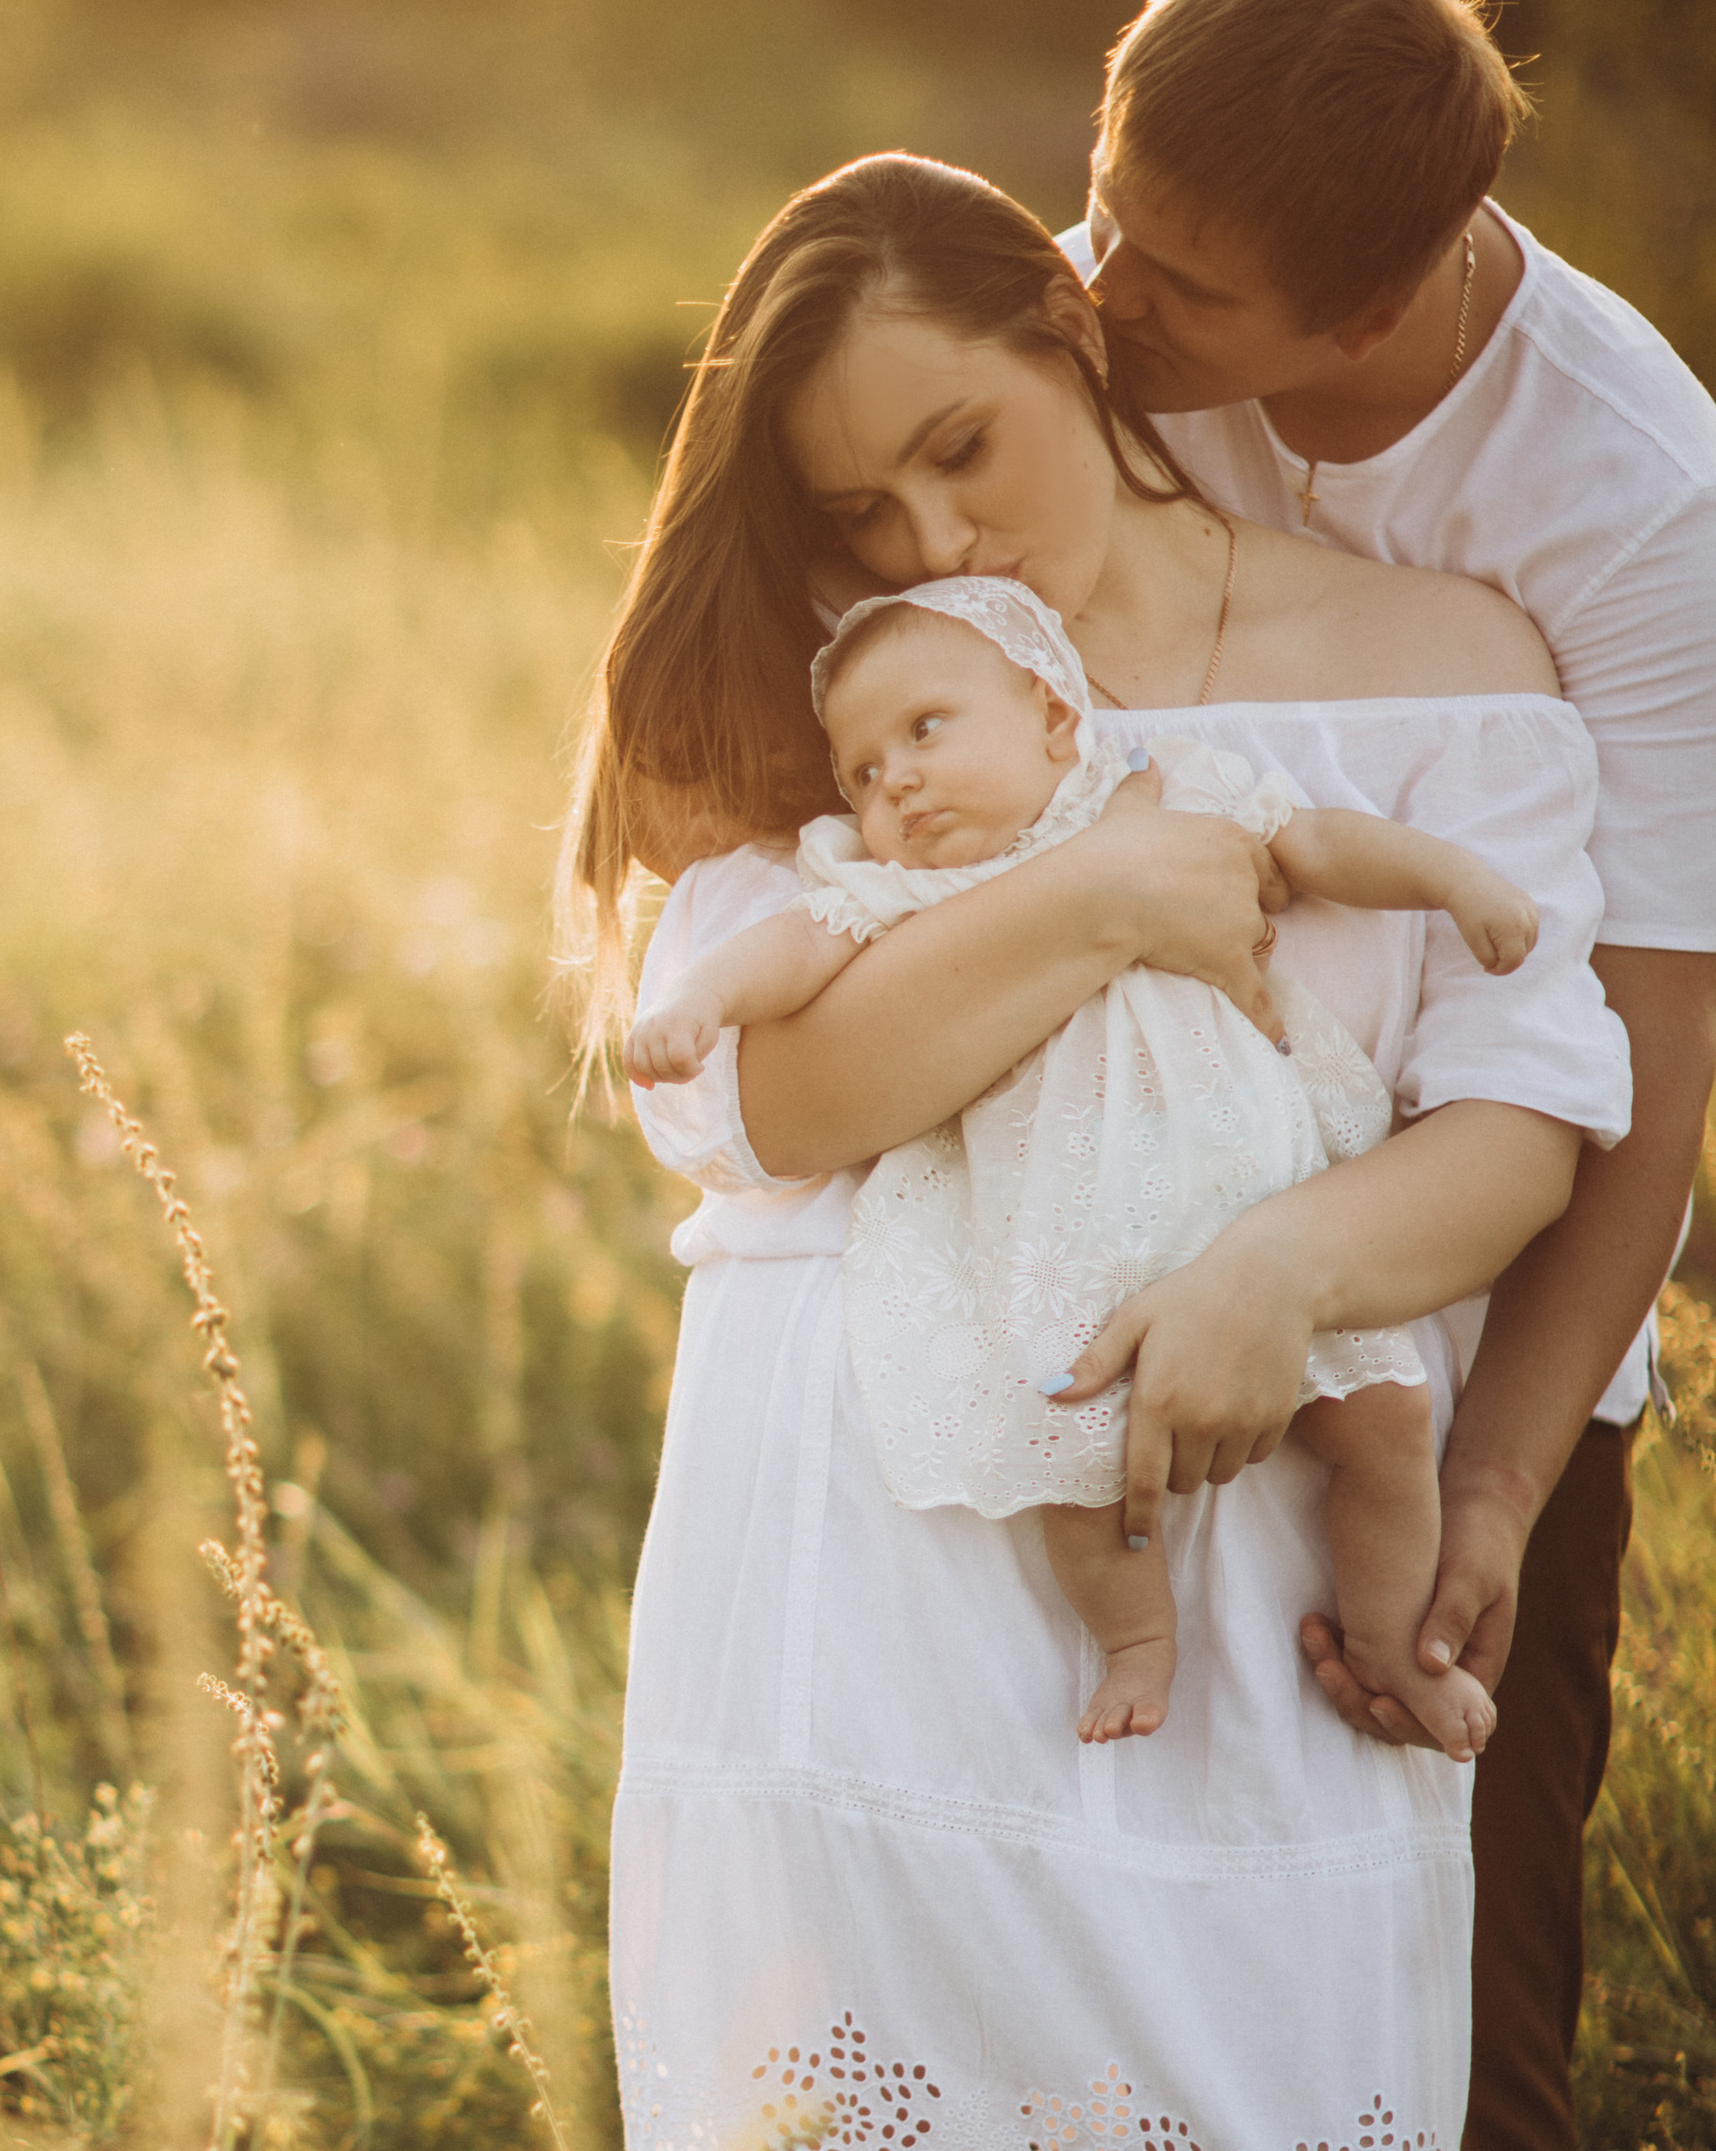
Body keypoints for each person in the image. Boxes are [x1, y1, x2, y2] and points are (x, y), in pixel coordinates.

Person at [563, 152, 1630, 2151]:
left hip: (1258, 1480)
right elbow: (784, 1097)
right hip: (875, 1503)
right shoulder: (855, 704)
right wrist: (1086, 891)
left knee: (1251, 2145)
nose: (932, 529)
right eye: (859, 498)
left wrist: (1279, 1265)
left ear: (1064, 328)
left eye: (962, 441)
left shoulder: (1425, 652)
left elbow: (1531, 1104)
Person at [1067, 0, 1716, 2151]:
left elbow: (1649, 1063)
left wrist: (1496, 1463)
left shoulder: (1629, 494)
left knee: (1464, 1980)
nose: (1097, 297)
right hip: (1147, 1265)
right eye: (1102, 208)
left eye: (1175, 281)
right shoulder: (1107, 318)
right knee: (1131, 1906)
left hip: (1498, 1297)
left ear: (1376, 301)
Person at [627, 570, 1541, 1752]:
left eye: (924, 731)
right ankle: (1134, 1640)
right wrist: (698, 1004)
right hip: (1069, 1225)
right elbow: (793, 949)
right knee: (1073, 1461)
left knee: (1386, 1421)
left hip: (1258, 1194)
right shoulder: (909, 885)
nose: (891, 779)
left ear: (1054, 719)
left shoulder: (1160, 800)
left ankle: (1389, 1646)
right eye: (860, 769)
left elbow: (1312, 844)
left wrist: (1453, 881)